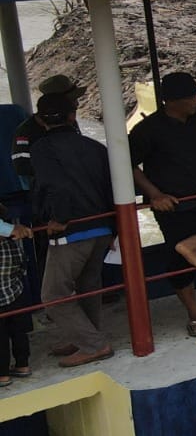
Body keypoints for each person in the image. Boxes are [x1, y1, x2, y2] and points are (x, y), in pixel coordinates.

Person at [30, 93, 115, 366]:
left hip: (71, 230)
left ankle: (93, 344)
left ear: (41, 120)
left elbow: (55, 186)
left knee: (53, 295)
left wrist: (59, 218)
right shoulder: (95, 147)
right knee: (88, 286)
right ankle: (85, 336)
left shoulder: (42, 149)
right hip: (101, 226)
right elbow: (111, 186)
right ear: (72, 115)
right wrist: (113, 228)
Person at [0, 207, 32, 382]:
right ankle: (22, 365)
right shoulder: (12, 243)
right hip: (15, 293)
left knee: (0, 338)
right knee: (19, 332)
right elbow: (22, 264)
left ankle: (2, 375)